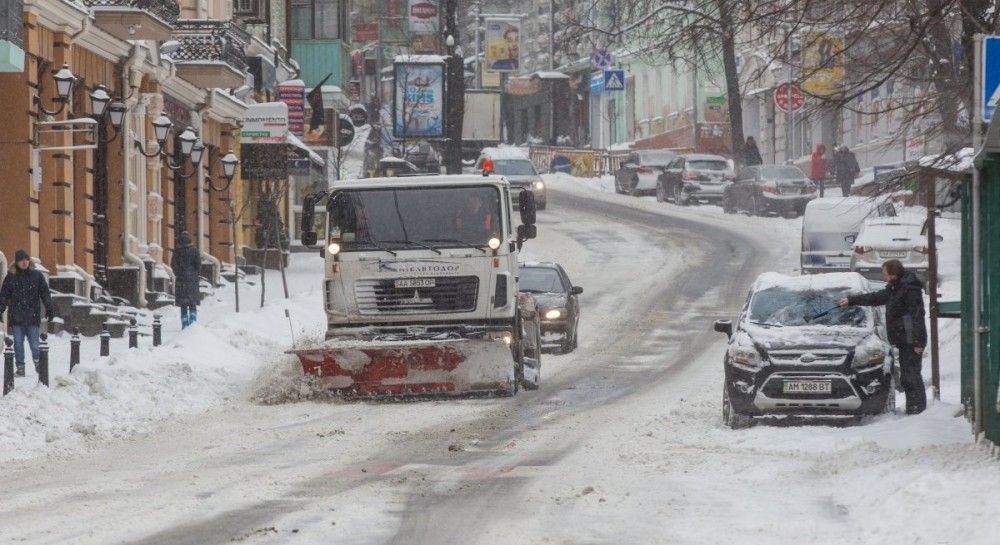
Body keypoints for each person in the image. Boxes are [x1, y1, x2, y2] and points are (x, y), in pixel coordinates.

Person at [838, 259, 927, 414]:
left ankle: (918, 410)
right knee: (907, 376)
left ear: (893, 274)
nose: (883, 276)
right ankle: (913, 409)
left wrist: (918, 342)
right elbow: (875, 298)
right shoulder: (896, 287)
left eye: (885, 273)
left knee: (911, 376)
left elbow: (917, 317)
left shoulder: (909, 290)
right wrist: (852, 300)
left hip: (911, 340)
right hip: (904, 339)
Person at [0, 250, 54, 377]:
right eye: (21, 260)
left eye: (26, 259)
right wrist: (0, 310)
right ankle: (20, 367)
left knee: (35, 343)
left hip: (32, 316)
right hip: (16, 317)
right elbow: (4, 296)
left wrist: (49, 308)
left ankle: (37, 363)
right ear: (17, 262)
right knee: (18, 344)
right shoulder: (11, 277)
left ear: (29, 260)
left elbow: (45, 293)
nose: (24, 262)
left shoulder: (37, 276)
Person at [171, 231, 201, 329]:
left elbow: (173, 265)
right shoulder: (195, 250)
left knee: (183, 304)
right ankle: (193, 323)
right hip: (192, 280)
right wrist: (194, 273)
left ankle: (184, 323)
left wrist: (179, 273)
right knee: (192, 303)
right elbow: (198, 265)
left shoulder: (177, 251)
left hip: (181, 280)